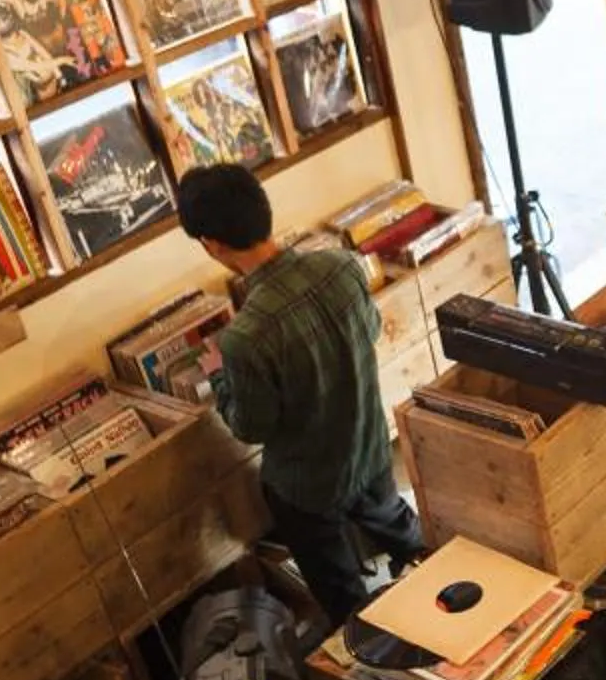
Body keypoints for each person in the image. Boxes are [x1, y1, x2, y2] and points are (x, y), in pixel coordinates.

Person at [176, 162, 425, 623]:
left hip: (308, 489)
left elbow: (252, 426)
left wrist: (219, 377)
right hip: (369, 448)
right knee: (401, 528)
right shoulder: (340, 267)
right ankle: (447, 589)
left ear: (211, 244)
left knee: (342, 593)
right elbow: (370, 329)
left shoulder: (243, 337)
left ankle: (368, 639)